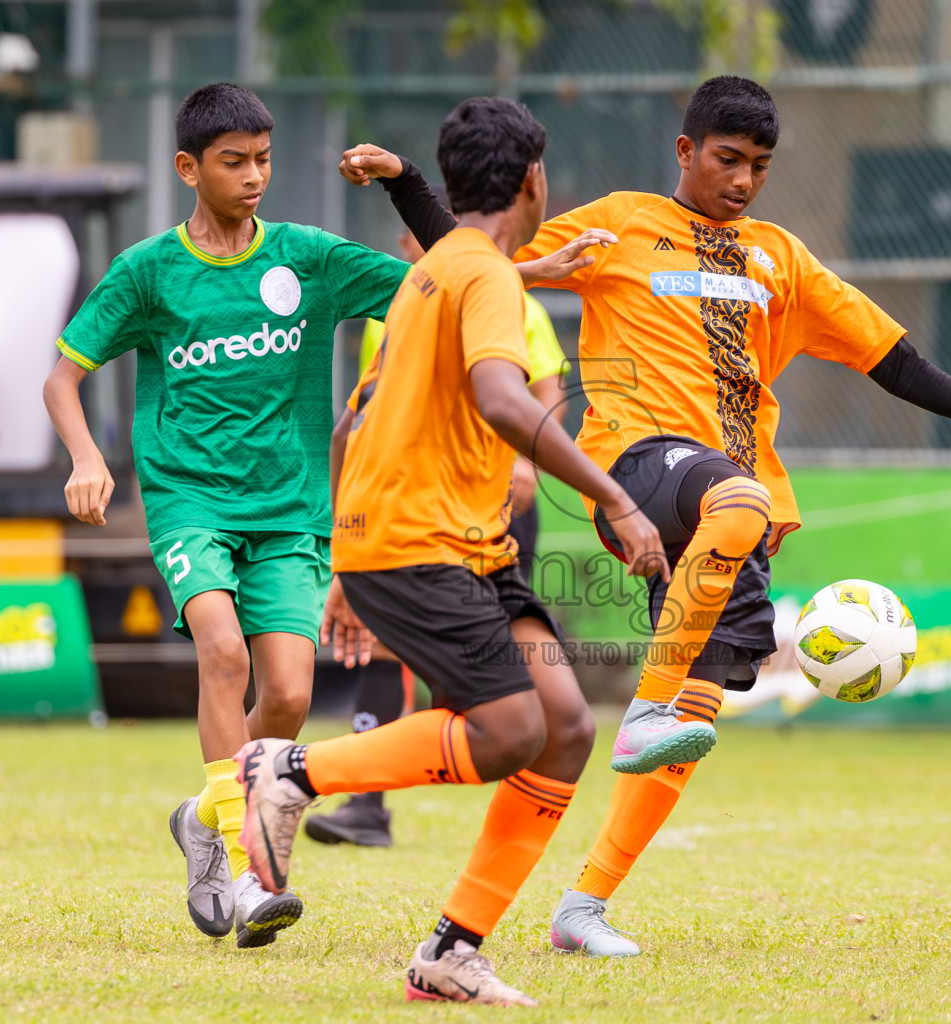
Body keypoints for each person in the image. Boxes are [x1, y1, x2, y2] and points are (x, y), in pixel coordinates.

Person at [360, 74, 951, 957]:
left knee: (690, 723)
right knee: (726, 526)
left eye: (760, 166)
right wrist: (406, 182)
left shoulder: (782, 259)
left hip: (731, 510)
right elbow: (467, 249)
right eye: (728, 159)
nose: (742, 181)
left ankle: (584, 907)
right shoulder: (621, 223)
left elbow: (898, 363)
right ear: (686, 151)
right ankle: (643, 708)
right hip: (639, 464)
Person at [42, 82, 606, 949]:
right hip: (192, 501)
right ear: (189, 168)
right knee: (223, 652)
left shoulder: (307, 257)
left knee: (291, 693)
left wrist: (530, 272)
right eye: (234, 162)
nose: (253, 176)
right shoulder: (149, 271)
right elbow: (63, 378)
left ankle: (205, 815)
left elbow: (432, 285)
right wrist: (86, 457)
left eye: (263, 160)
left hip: (294, 508)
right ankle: (241, 871)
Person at [233, 96, 668, 1007]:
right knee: (509, 731)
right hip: (421, 544)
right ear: (534, 181)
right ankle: (290, 771)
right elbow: (507, 400)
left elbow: (353, 421)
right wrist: (618, 498)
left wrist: (344, 560)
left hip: (459, 545)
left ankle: (450, 951)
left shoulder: (437, 270)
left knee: (565, 727)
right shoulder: (484, 277)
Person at [303, 227, 569, 849]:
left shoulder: (511, 300)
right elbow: (362, 422)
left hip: (491, 508)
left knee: (499, 686)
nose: (433, 245)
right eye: (424, 233)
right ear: (405, 242)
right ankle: (362, 801)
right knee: (385, 650)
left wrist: (526, 461)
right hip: (413, 510)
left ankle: (495, 766)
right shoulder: (397, 308)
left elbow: (545, 389)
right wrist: (350, 540)